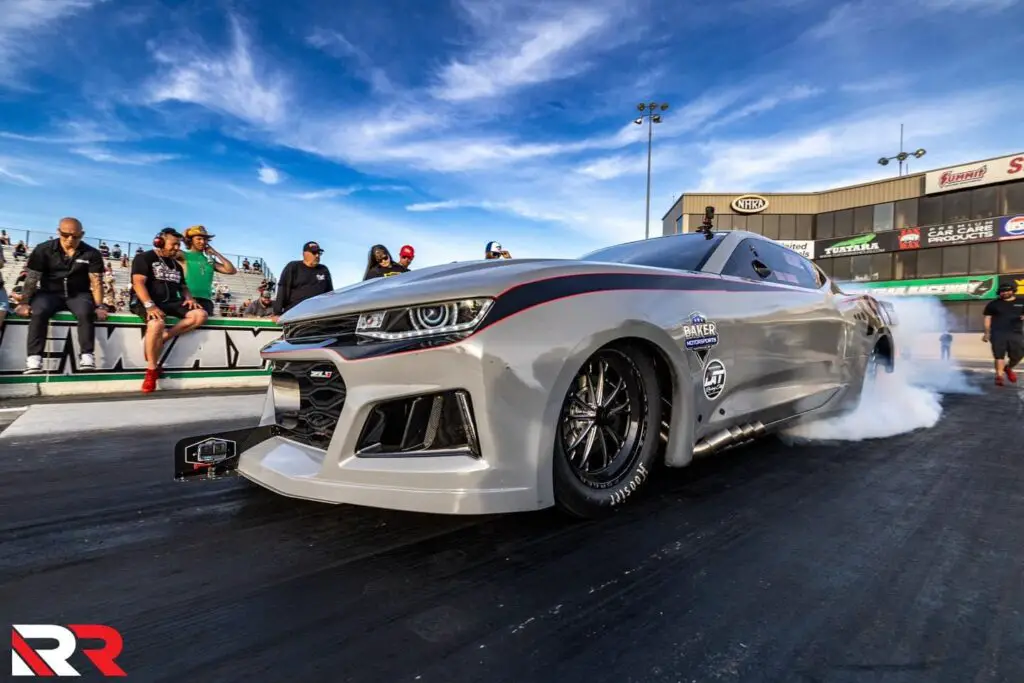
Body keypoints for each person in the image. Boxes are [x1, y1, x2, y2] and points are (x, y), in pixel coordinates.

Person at [13, 217, 108, 374]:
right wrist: (24, 302)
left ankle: (87, 356)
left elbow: (96, 281)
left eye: (76, 236)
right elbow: (32, 278)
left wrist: (99, 305)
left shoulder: (92, 253)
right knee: (39, 312)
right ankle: (34, 359)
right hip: (49, 293)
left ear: (82, 234)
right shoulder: (43, 249)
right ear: (58, 232)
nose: (70, 239)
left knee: (86, 313)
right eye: (65, 235)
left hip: (78, 293)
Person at [130, 227, 206, 393]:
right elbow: (138, 283)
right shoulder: (145, 258)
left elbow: (183, 286)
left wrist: (189, 298)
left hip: (170, 302)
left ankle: (165, 337)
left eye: (179, 245)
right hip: (146, 301)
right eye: (173, 244)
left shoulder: (176, 265)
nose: (177, 248)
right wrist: (150, 305)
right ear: (160, 242)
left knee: (200, 315)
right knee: (156, 324)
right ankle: (152, 370)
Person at [177, 225, 237, 316]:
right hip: (187, 299)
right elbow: (167, 252)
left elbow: (231, 270)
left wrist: (216, 253)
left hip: (206, 301)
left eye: (205, 239)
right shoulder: (183, 255)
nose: (202, 242)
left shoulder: (210, 261)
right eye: (199, 239)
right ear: (190, 240)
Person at [272, 241, 333, 320]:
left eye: (319, 253)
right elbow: (283, 289)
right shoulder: (293, 267)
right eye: (314, 253)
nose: (317, 255)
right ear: (305, 254)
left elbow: (329, 293)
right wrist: (277, 312)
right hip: (296, 314)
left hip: (318, 314)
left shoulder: (324, 269)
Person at [982, 283, 1024, 386]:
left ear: (1013, 290)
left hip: (1016, 333)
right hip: (998, 333)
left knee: (1018, 355)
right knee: (999, 355)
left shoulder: (1021, 302)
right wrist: (987, 333)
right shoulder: (993, 304)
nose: (1005, 293)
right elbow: (987, 318)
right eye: (1002, 291)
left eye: (1007, 290)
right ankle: (999, 376)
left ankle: (1008, 368)